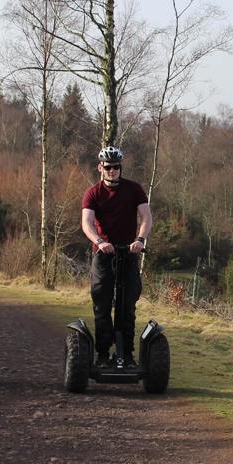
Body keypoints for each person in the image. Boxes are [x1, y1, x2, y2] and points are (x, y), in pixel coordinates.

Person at [81, 146, 152, 368]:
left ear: (121, 168)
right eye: (108, 167)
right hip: (103, 254)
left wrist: (140, 240)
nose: (112, 171)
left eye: (116, 167)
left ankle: (127, 356)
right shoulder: (93, 193)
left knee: (127, 304)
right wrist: (100, 242)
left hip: (128, 252)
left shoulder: (134, 189)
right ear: (100, 168)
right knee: (101, 302)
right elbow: (87, 222)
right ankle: (102, 355)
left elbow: (146, 217)